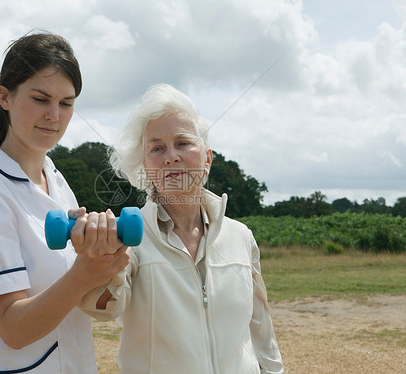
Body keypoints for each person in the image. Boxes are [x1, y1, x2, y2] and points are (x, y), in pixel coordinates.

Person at [0, 32, 129, 373]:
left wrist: (104, 259)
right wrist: (85, 272)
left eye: (66, 103)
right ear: (4, 97)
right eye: (40, 98)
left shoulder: (56, 181)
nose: (54, 115)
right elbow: (13, 328)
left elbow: (74, 295)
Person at [80, 83, 284, 373]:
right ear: (145, 167)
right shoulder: (129, 240)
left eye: (183, 143)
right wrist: (101, 259)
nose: (171, 156)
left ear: (207, 159)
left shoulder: (241, 237)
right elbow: (103, 308)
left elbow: (261, 330)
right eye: (157, 148)